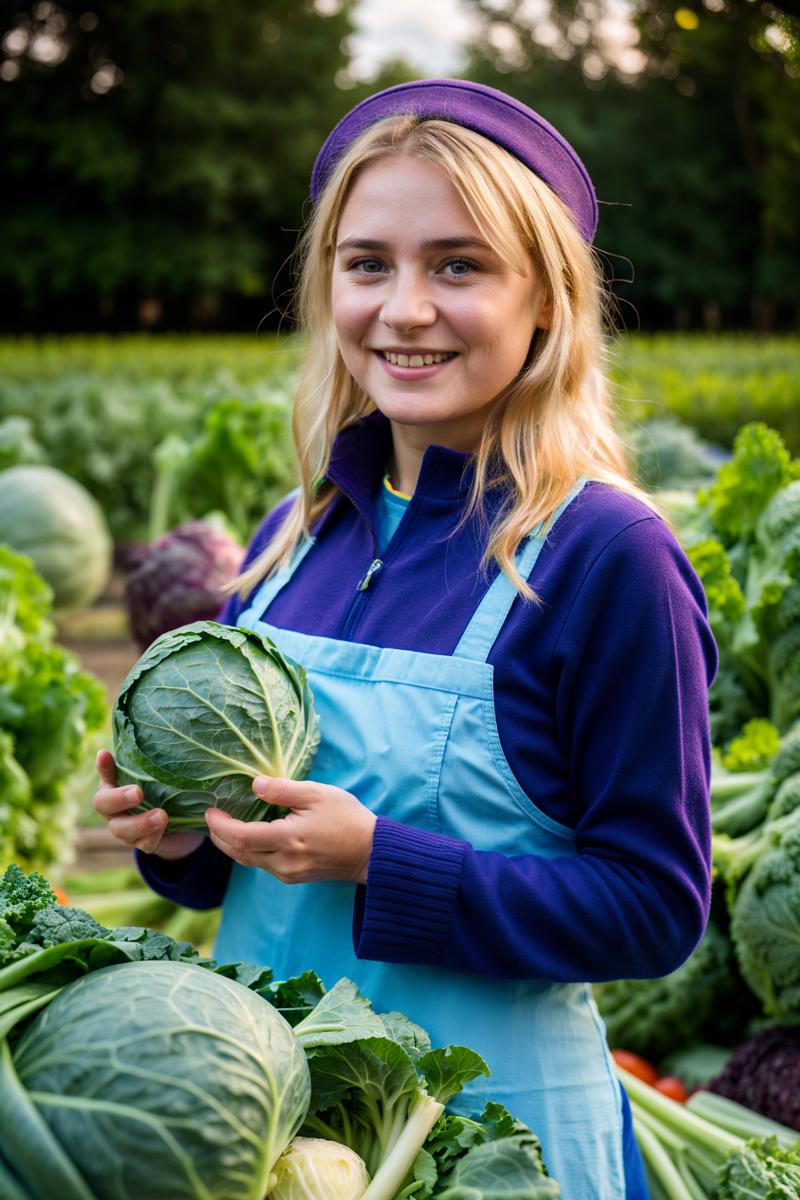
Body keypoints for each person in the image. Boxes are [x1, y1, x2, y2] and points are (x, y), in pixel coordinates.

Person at [93, 79, 717, 1198]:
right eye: (368, 262)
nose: (404, 308)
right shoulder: (294, 535)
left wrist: (383, 860)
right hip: (273, 1143)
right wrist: (175, 838)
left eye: (458, 265)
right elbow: (242, 884)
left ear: (546, 302)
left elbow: (653, 909)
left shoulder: (604, 555)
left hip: (496, 1147)